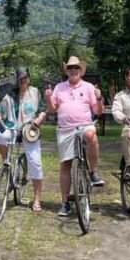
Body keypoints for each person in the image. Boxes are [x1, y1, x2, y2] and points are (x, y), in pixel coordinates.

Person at [45, 56, 105, 217]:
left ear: (81, 70)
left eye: (76, 68)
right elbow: (52, 110)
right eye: (70, 68)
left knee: (91, 135)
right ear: (67, 70)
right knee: (65, 165)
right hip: (65, 129)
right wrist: (48, 97)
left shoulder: (89, 87)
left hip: (84, 125)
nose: (73, 70)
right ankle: (65, 202)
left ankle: (93, 172)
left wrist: (99, 97)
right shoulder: (59, 87)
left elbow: (98, 111)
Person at [0, 67, 47, 212]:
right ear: (17, 80)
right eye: (21, 78)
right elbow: (0, 109)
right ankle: (6, 161)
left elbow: (43, 110)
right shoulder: (10, 95)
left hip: (30, 130)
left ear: (29, 78)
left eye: (25, 78)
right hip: (13, 128)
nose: (23, 81)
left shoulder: (35, 92)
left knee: (35, 162)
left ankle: (36, 198)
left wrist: (38, 121)